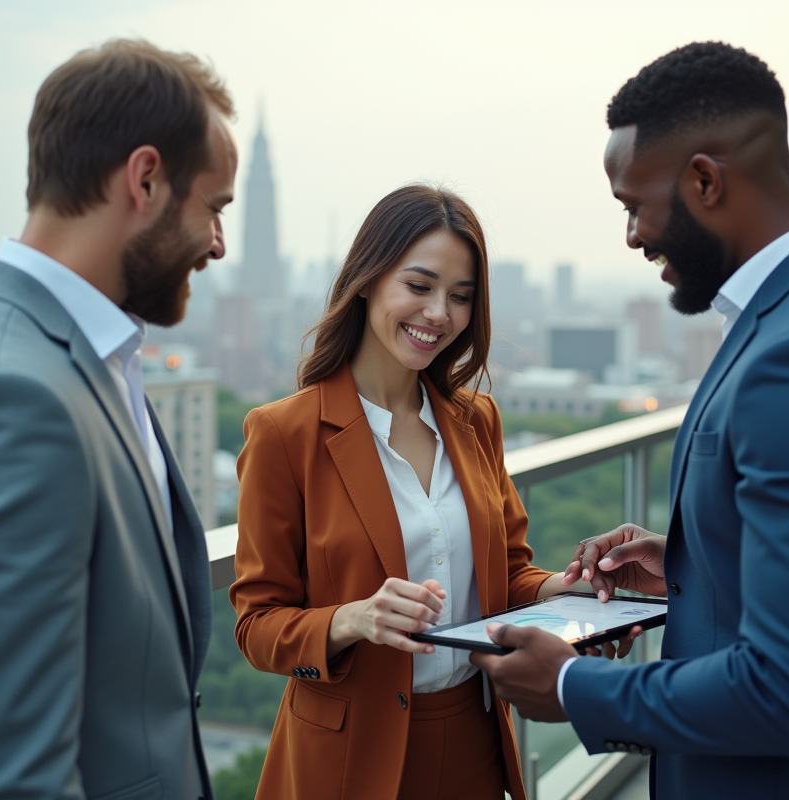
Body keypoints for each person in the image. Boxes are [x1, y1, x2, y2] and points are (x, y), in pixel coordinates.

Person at [472, 42, 789, 800]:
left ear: (704, 180)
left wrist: (574, 688)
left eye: (634, 205)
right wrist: (696, 563)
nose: (632, 236)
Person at [0, 40, 237, 800]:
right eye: (213, 208)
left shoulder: (72, 355)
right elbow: (5, 782)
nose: (218, 244)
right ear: (145, 179)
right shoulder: (10, 399)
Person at [230, 185, 620, 800]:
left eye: (461, 297)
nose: (439, 313)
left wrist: (564, 593)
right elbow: (257, 625)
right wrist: (353, 619)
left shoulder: (476, 420)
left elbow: (506, 577)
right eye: (419, 286)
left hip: (475, 740)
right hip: (347, 760)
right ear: (365, 281)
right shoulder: (284, 434)